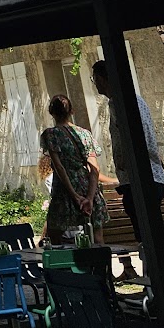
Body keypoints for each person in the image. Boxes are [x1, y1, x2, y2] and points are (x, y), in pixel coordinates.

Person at [91, 59, 164, 244]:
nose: (95, 84)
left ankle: (155, 270)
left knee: (146, 235)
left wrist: (127, 160)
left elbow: (132, 134)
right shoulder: (136, 98)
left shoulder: (119, 102)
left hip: (140, 178)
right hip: (153, 175)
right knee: (150, 230)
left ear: (102, 79)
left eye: (94, 79)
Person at [40, 94, 106, 245]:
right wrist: (89, 197)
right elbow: (95, 169)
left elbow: (59, 167)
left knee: (55, 234)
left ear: (51, 112)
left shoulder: (51, 134)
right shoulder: (85, 134)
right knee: (97, 236)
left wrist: (75, 196)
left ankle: (62, 268)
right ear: (72, 111)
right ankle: (102, 267)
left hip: (65, 190)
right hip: (88, 186)